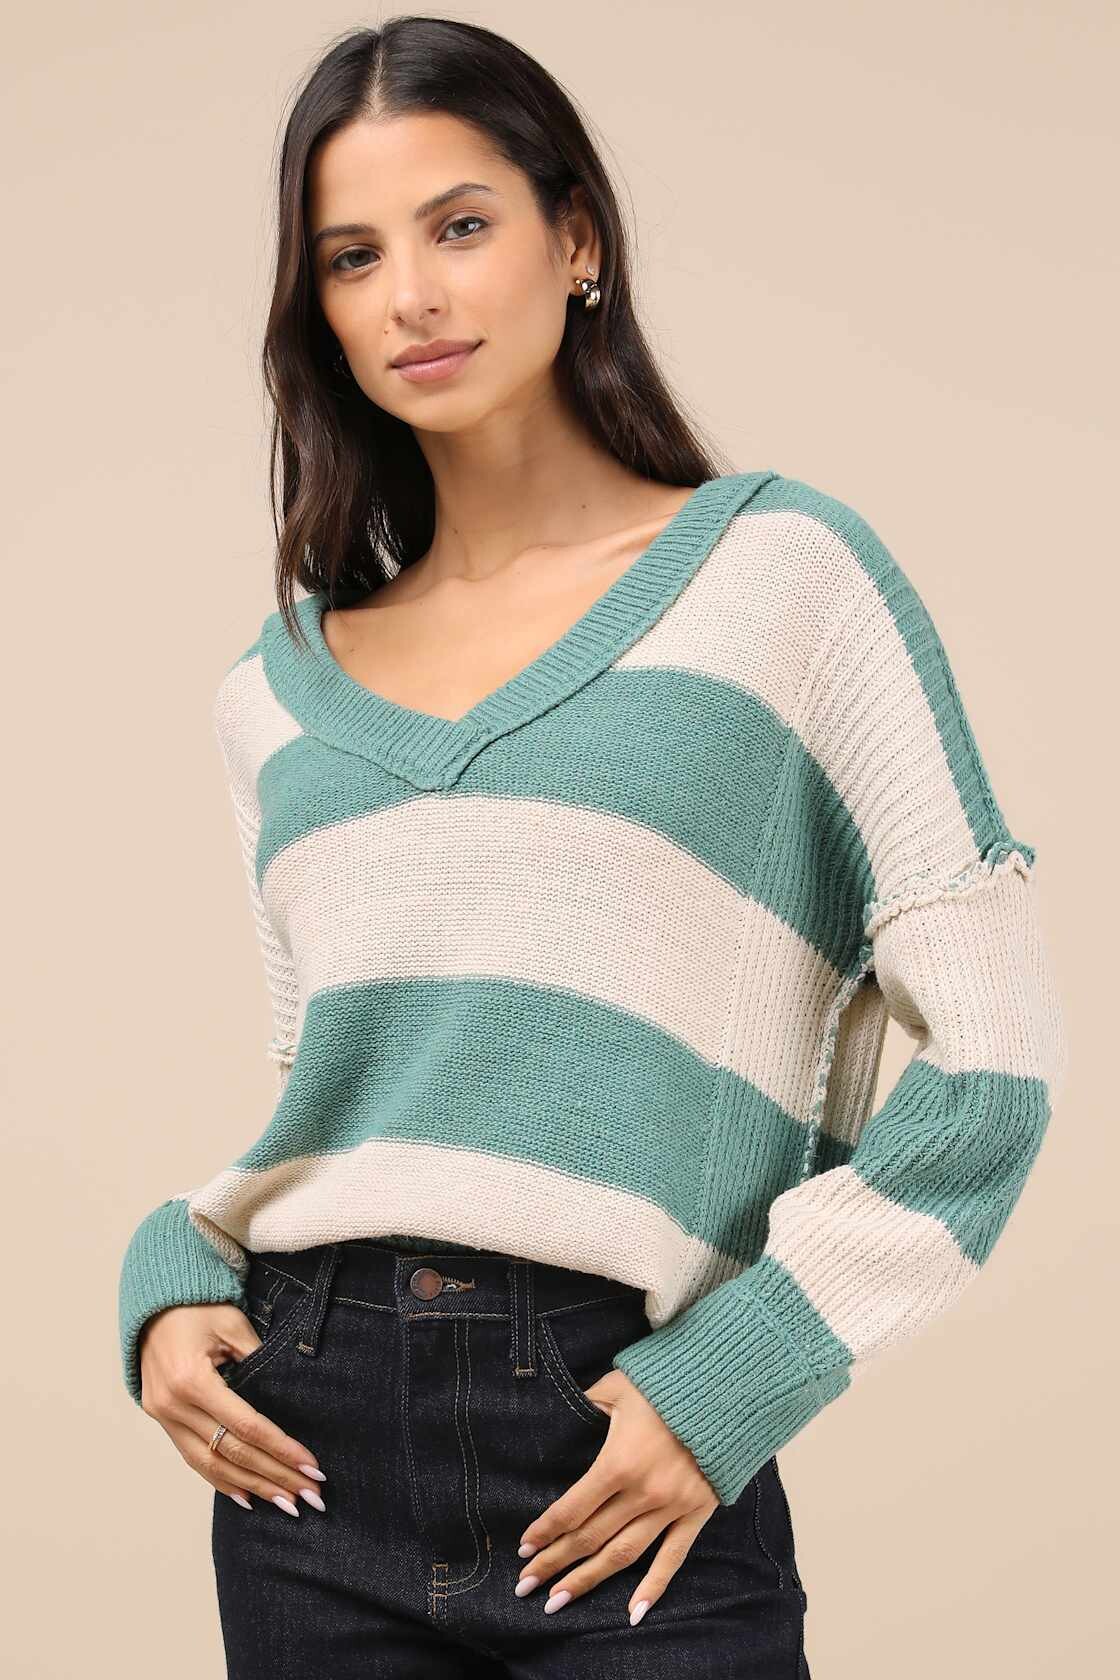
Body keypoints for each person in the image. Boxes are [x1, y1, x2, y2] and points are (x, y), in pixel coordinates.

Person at [116, 16, 1067, 1677]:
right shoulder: (270, 698)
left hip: (620, 1425)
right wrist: (170, 1271)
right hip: (306, 1447)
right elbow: (352, 1088)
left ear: (576, 240)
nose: (411, 296)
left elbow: (993, 1067)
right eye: (352, 257)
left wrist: (741, 1375)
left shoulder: (785, 584)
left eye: (460, 225)